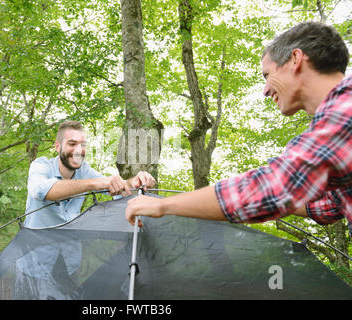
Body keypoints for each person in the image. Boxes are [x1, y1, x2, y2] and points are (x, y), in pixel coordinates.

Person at [125, 21, 351, 233]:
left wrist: (162, 205)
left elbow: (274, 186)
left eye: (267, 75)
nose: (265, 90)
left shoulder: (346, 109)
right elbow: (329, 207)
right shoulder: (338, 119)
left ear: (295, 59)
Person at [24, 120, 156, 228]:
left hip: (71, 253)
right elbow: (40, 190)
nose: (79, 150)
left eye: (83, 145)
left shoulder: (85, 171)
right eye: (72, 144)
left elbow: (118, 188)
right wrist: (94, 183)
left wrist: (133, 183)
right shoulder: (41, 165)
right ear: (58, 147)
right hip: (37, 253)